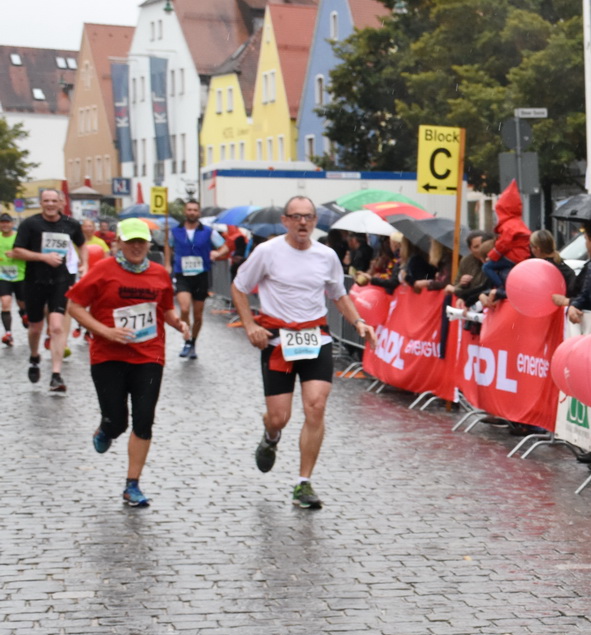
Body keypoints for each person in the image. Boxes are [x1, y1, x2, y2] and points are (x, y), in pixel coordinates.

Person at [231, 195, 376, 511]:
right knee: (280, 417)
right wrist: (249, 325)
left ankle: (303, 483)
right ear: (285, 220)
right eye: (295, 216)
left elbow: (339, 294)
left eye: (308, 217)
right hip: (277, 342)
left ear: (314, 221)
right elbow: (239, 286)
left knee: (316, 406)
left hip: (315, 339)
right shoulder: (267, 252)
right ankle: (270, 436)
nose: (302, 222)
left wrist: (359, 322)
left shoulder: (327, 256)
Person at [64, 219, 188, 507]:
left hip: (149, 355)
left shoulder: (159, 274)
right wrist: (104, 331)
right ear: (118, 242)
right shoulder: (103, 270)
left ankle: (132, 484)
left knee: (144, 419)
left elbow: (166, 308)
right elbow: (74, 305)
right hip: (109, 356)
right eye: (130, 241)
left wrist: (177, 323)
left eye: (141, 242)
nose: (136, 247)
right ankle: (107, 428)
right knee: (118, 421)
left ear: (148, 244)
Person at [11, 188, 87, 393]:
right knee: (35, 328)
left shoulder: (70, 224)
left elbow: (82, 244)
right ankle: (34, 357)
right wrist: (43, 257)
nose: (51, 204)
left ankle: (56, 374)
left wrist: (84, 264)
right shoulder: (30, 224)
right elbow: (17, 250)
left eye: (54, 200)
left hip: (61, 280)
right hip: (35, 281)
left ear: (61, 202)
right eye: (47, 200)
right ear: (41, 203)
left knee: (56, 326)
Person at [165, 199, 230, 360]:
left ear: (199, 213)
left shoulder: (208, 231)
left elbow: (225, 246)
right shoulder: (175, 231)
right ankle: (186, 339)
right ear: (185, 212)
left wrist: (217, 253)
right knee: (185, 309)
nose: (192, 212)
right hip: (182, 274)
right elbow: (168, 245)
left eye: (195, 210)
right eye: (189, 209)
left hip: (201, 275)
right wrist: (167, 263)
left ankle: (193, 342)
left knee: (198, 315)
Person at [483, 182, 532, 289]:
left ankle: (501, 287)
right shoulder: (517, 222)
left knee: (487, 267)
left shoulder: (508, 225)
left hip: (513, 256)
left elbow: (504, 243)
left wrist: (491, 256)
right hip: (520, 255)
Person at [0, 212, 22, 346]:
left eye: (7, 222)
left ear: (12, 224)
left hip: (20, 276)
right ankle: (8, 334)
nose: (5, 225)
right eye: (2, 222)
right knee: (5, 302)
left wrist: (16, 254)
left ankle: (24, 315)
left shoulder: (19, 238)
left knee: (22, 304)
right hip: (3, 276)